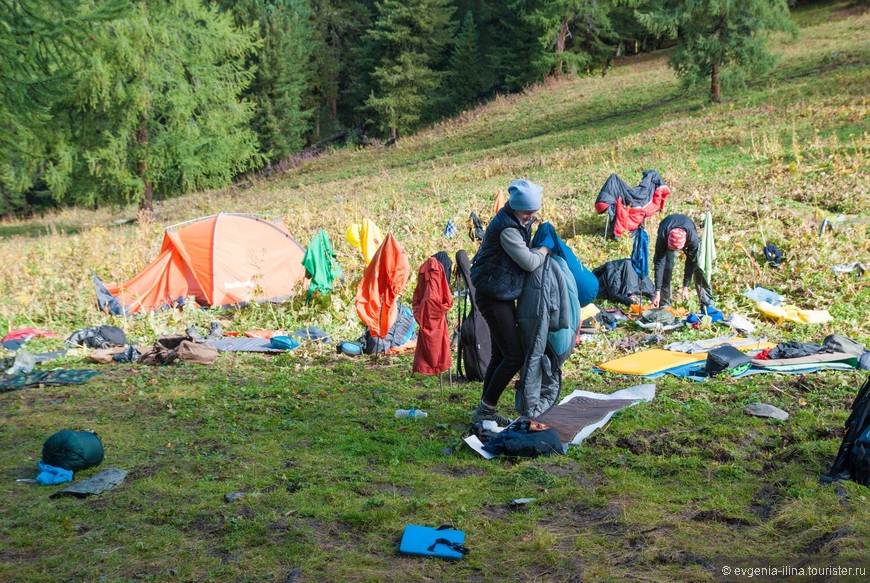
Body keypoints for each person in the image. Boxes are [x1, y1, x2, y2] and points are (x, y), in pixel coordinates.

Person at [469, 179, 550, 425]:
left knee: (500, 354)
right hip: (493, 295)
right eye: (527, 212)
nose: (530, 217)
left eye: (534, 212)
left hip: (501, 291)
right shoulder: (508, 229)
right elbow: (528, 262)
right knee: (514, 356)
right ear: (515, 208)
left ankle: (485, 412)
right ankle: (485, 411)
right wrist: (545, 250)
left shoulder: (517, 219)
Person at [651, 213, 713, 309]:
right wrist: (657, 291)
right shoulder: (662, 237)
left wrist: (685, 287)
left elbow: (690, 263)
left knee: (699, 266)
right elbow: (659, 264)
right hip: (666, 225)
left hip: (687, 231)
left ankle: (707, 304)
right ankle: (664, 303)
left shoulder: (693, 239)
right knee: (666, 268)